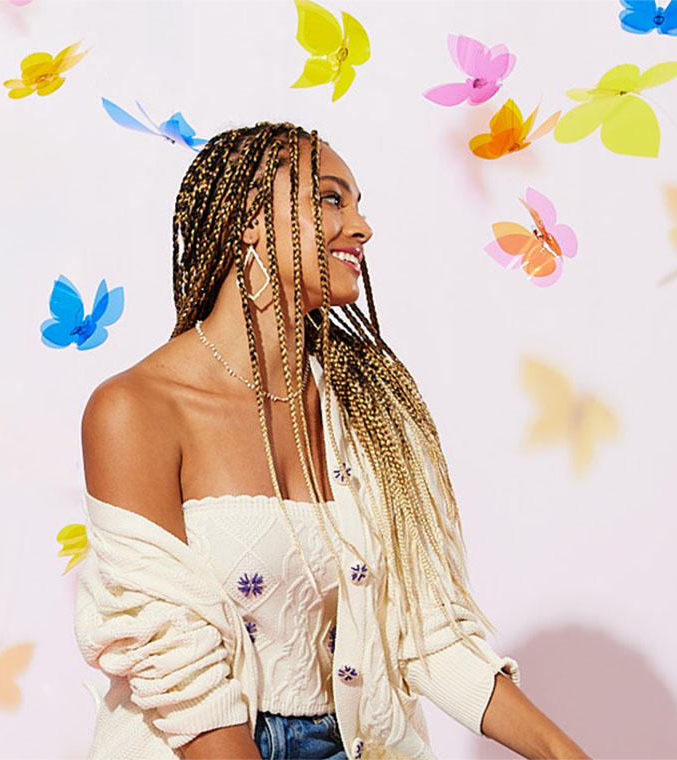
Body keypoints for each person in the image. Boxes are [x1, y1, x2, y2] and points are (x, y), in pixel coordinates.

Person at [75, 121, 591, 760]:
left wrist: (564, 753)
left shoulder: (372, 408)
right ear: (249, 220)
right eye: (330, 199)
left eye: (359, 204)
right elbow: (177, 666)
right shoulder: (135, 410)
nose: (361, 226)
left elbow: (425, 626)